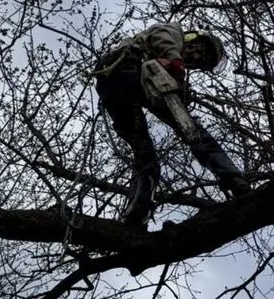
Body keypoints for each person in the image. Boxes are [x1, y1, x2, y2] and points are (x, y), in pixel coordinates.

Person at [94, 22, 248, 224]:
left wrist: (182, 90)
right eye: (199, 52)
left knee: (144, 154)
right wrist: (175, 61)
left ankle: (137, 210)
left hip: (112, 87)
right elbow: (162, 37)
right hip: (130, 69)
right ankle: (234, 179)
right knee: (196, 133)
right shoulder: (174, 32)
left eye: (200, 61)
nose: (196, 58)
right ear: (193, 41)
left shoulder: (169, 59)